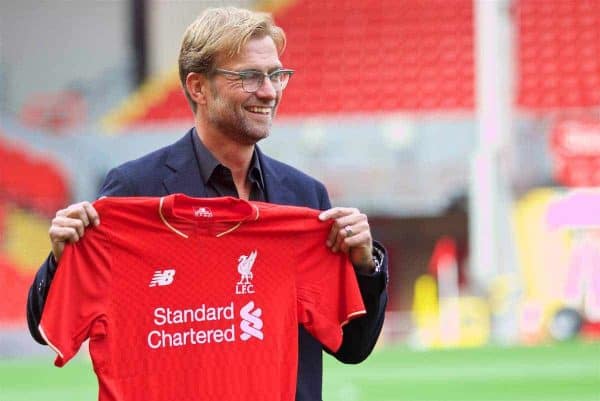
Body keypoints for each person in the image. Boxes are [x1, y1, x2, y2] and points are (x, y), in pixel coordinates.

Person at [27, 7, 388, 401]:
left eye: (276, 75)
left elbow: (352, 346)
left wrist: (365, 265)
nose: (269, 91)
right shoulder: (135, 190)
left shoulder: (304, 199)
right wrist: (60, 262)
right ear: (198, 87)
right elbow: (44, 327)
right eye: (250, 76)